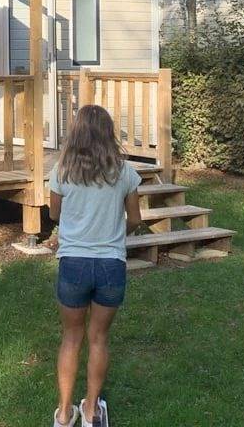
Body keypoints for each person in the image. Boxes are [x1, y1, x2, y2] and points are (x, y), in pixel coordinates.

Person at [48, 104, 143, 427]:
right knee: (99, 338)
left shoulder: (62, 170)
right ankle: (91, 412)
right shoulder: (124, 172)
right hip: (110, 265)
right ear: (108, 132)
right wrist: (114, 232)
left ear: (77, 132)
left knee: (71, 338)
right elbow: (136, 219)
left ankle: (64, 414)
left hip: (73, 263)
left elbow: (54, 214)